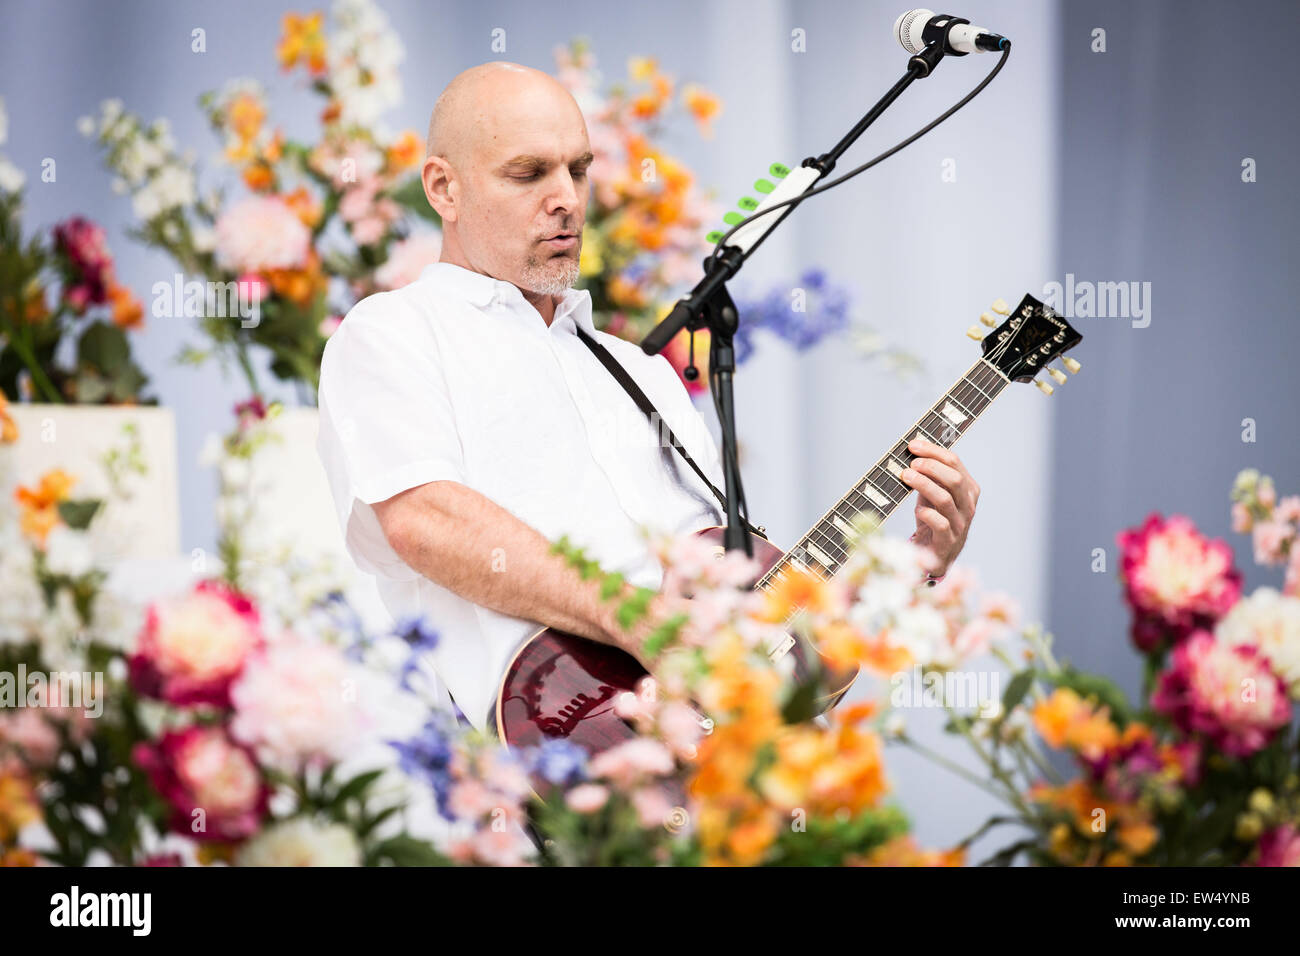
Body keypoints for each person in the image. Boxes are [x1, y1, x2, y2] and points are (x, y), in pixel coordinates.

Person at [316, 61, 980, 734]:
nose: (567, 199)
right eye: (528, 173)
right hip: (547, 766)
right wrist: (631, 615)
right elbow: (426, 521)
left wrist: (906, 574)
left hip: (730, 782)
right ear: (443, 187)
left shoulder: (640, 371)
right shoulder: (391, 333)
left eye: (578, 171)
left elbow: (789, 677)